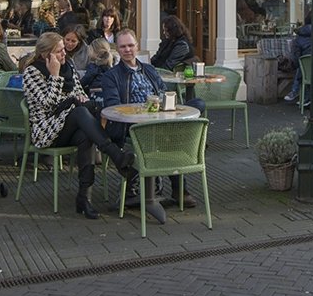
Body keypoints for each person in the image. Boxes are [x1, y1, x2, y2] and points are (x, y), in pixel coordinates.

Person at [21, 33, 137, 220]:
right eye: (58, 51)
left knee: (85, 134)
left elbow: (78, 92)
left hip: (68, 125)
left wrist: (80, 97)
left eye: (63, 50)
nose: (63, 54)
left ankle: (84, 198)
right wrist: (55, 75)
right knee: (80, 113)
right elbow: (49, 104)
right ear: (45, 55)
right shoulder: (32, 72)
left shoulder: (68, 66)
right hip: (46, 130)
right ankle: (116, 154)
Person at [101, 30, 206, 217]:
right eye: (123, 46)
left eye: (130, 45)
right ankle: (179, 189)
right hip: (132, 126)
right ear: (117, 49)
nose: (127, 50)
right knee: (173, 137)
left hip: (160, 119)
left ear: (137, 46)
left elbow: (163, 92)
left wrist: (165, 103)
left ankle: (172, 187)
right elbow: (114, 107)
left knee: (198, 104)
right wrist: (142, 109)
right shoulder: (111, 76)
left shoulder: (149, 70)